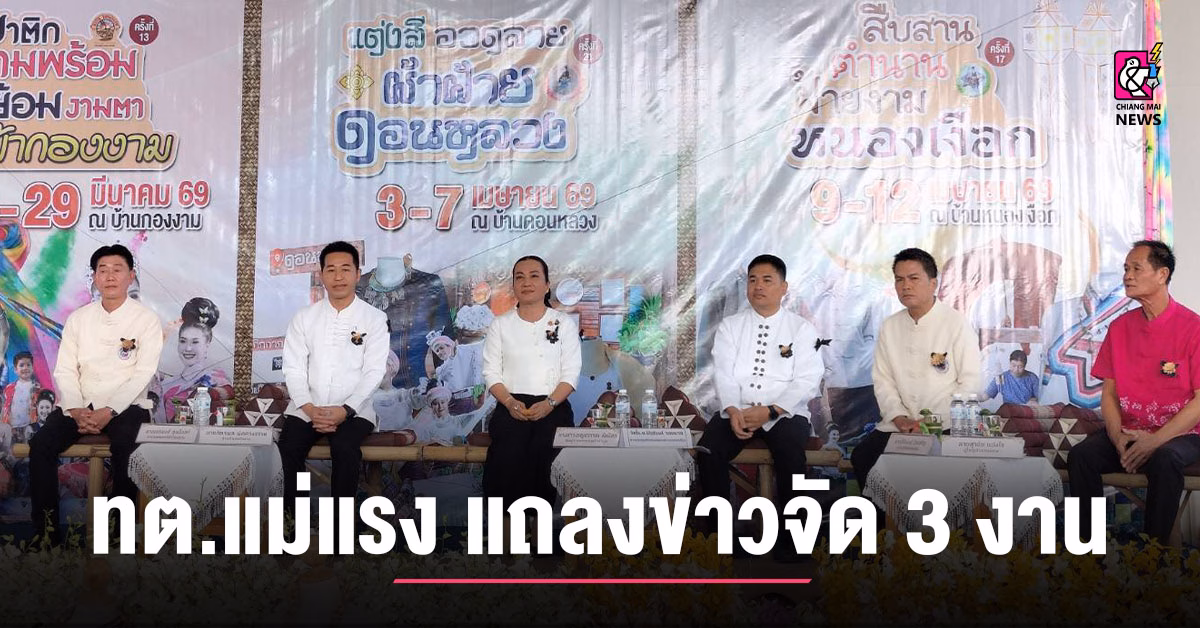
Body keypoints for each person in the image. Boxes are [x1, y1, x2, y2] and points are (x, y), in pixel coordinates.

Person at [29, 244, 163, 544]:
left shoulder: (146, 320)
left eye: (117, 270)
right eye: (102, 270)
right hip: (81, 404)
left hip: (127, 405)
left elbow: (142, 373)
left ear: (131, 276)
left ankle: (116, 536)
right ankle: (46, 535)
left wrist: (109, 411)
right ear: (94, 277)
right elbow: (65, 369)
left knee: (128, 448)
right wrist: (76, 409)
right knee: (40, 445)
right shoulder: (79, 319)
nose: (110, 276)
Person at [1068, 241, 1200, 545]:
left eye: (1136, 268)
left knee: (1165, 459)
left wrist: (1154, 441)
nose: (1127, 275)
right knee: (1082, 456)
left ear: (1162, 274)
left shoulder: (1193, 328)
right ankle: (1088, 551)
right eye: (1126, 268)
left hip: (1183, 435)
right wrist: (1117, 437)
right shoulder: (1119, 328)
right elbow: (1109, 395)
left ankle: (1153, 558)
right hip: (1130, 431)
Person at [696, 255, 823, 558]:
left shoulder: (801, 329)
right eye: (753, 280)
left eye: (767, 280)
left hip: (785, 413)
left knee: (790, 455)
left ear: (784, 287)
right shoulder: (730, 326)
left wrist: (772, 410)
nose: (758, 286)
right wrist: (733, 411)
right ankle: (719, 540)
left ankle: (795, 544)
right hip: (738, 410)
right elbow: (724, 374)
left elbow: (808, 379)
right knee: (708, 451)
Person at [277, 241, 389, 531]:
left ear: (358, 274)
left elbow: (374, 372)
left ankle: (339, 535)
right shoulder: (304, 318)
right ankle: (294, 529)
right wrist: (309, 407)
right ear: (321, 275)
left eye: (345, 269)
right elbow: (293, 368)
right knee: (288, 448)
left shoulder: (375, 319)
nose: (338, 277)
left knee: (344, 448)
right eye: (331, 270)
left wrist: (345, 410)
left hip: (354, 410)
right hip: (307, 408)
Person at [850, 248, 982, 487]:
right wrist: (899, 418)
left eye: (913, 278)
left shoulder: (956, 323)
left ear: (933, 283)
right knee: (864, 456)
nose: (906, 286)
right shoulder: (890, 326)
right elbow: (883, 381)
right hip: (899, 425)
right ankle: (883, 515)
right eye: (899, 280)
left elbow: (971, 383)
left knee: (940, 470)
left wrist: (930, 421)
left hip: (946, 424)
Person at [481, 255, 580, 507]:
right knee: (505, 469)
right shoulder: (500, 325)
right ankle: (506, 531)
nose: (526, 282)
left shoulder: (563, 323)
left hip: (553, 408)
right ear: (514, 286)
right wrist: (509, 402)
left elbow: (570, 373)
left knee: (545, 468)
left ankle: (540, 530)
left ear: (547, 285)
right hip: (511, 407)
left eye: (534, 276)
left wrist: (549, 404)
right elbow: (491, 372)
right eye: (520, 277)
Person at [2, 351, 40, 443]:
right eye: (21, 365)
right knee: (11, 449)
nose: (25, 368)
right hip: (12, 427)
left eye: (28, 365)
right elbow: (5, 407)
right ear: (15, 369)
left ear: (32, 367)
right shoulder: (9, 388)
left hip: (28, 426)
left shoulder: (37, 388)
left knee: (27, 448)